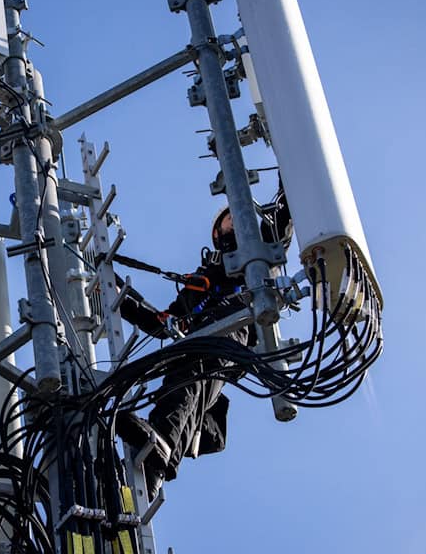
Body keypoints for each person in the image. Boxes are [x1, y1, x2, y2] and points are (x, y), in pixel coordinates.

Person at [116, 187, 293, 497]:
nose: (234, 225)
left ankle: (162, 443)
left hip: (235, 327)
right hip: (200, 342)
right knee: (184, 362)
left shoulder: (259, 255)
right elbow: (162, 324)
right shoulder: (202, 281)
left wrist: (290, 164)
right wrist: (116, 295)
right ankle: (156, 456)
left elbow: (286, 211)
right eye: (228, 221)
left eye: (240, 220)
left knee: (197, 355)